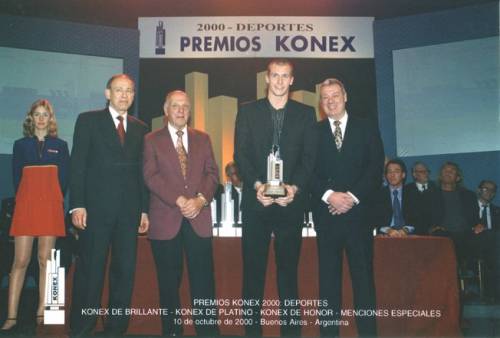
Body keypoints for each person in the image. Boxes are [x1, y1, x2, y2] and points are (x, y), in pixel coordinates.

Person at [234, 59, 317, 336]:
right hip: (257, 203)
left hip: (289, 205)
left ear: (292, 80)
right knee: (253, 274)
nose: (280, 81)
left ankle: (291, 332)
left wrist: (294, 189)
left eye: (285, 76)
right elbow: (240, 154)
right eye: (275, 76)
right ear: (266, 79)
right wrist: (257, 185)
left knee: (288, 274)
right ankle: (252, 332)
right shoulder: (247, 111)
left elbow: (309, 159)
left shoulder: (305, 114)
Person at [69, 74, 149, 336]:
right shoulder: (88, 120)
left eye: (129, 91)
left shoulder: (140, 128)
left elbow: (142, 174)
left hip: (128, 214)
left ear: (134, 95)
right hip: (94, 212)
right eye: (119, 90)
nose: (124, 95)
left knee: (124, 274)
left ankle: (116, 329)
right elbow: (77, 165)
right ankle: (82, 327)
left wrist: (144, 209)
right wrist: (77, 205)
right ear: (107, 93)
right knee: (90, 272)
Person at [311, 78, 384, 337]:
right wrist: (330, 195)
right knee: (328, 284)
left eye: (335, 95)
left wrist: (351, 197)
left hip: (359, 217)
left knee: (363, 283)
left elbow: (375, 169)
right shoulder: (313, 132)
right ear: (320, 102)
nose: (330, 101)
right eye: (325, 97)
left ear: (345, 96)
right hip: (327, 216)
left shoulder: (367, 128)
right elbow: (308, 172)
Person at [143, 90, 219, 336]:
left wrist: (199, 200)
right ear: (166, 110)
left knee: (204, 282)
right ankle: (172, 331)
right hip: (166, 219)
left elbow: (212, 174)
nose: (180, 110)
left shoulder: (203, 139)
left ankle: (208, 331)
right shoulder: (151, 140)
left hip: (199, 218)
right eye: (175, 106)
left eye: (185, 106)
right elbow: (150, 176)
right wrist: (178, 200)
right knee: (168, 283)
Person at [0, 99, 69, 333]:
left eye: (45, 115)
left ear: (51, 119)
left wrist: (51, 198)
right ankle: (11, 316)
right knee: (19, 262)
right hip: (26, 207)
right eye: (37, 115)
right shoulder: (20, 145)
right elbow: (17, 179)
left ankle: (44, 311)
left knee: (46, 262)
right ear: (31, 119)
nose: (41, 118)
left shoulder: (60, 145)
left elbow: (64, 180)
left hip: (50, 207)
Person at [429, 162, 479, 262]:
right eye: (445, 170)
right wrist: (431, 227)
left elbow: (475, 218)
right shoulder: (430, 195)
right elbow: (424, 217)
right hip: (442, 234)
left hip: (466, 233)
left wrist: (479, 225)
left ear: (458, 177)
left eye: (452, 171)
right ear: (440, 176)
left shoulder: (469, 196)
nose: (448, 172)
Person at [469, 180, 499, 302]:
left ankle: (493, 294)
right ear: (478, 190)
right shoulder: (468, 209)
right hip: (472, 245)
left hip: (493, 248)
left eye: (493, 190)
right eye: (486, 189)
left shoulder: (498, 211)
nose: (490, 192)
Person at [373, 158, 415, 236]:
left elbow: (418, 218)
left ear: (403, 175)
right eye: (389, 172)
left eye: (396, 171)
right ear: (386, 175)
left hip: (409, 235)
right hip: (386, 235)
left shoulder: (413, 194)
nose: (392, 175)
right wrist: (388, 230)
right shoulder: (378, 195)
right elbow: (374, 219)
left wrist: (405, 230)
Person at [404, 162, 440, 234]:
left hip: (434, 230)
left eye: (427, 171)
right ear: (414, 174)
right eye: (422, 171)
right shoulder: (406, 190)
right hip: (413, 230)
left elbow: (440, 210)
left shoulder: (437, 188)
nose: (426, 174)